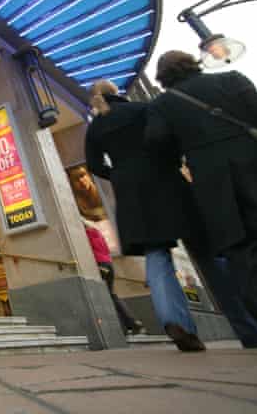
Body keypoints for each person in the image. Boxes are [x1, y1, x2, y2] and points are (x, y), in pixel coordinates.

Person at [146, 51, 257, 351]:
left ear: (163, 77)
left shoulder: (163, 104)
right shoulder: (231, 80)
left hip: (214, 182)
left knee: (244, 249)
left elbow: (158, 145)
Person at [85, 80, 204, 351]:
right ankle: (247, 322)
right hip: (165, 180)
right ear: (116, 93)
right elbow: (165, 139)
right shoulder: (142, 108)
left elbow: (94, 165)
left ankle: (175, 321)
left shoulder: (96, 126)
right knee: (201, 246)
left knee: (156, 254)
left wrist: (117, 174)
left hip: (130, 192)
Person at [83, 220, 146, 336]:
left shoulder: (86, 234)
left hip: (100, 265)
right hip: (108, 265)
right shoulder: (97, 234)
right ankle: (130, 324)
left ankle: (128, 325)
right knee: (111, 295)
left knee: (105, 296)